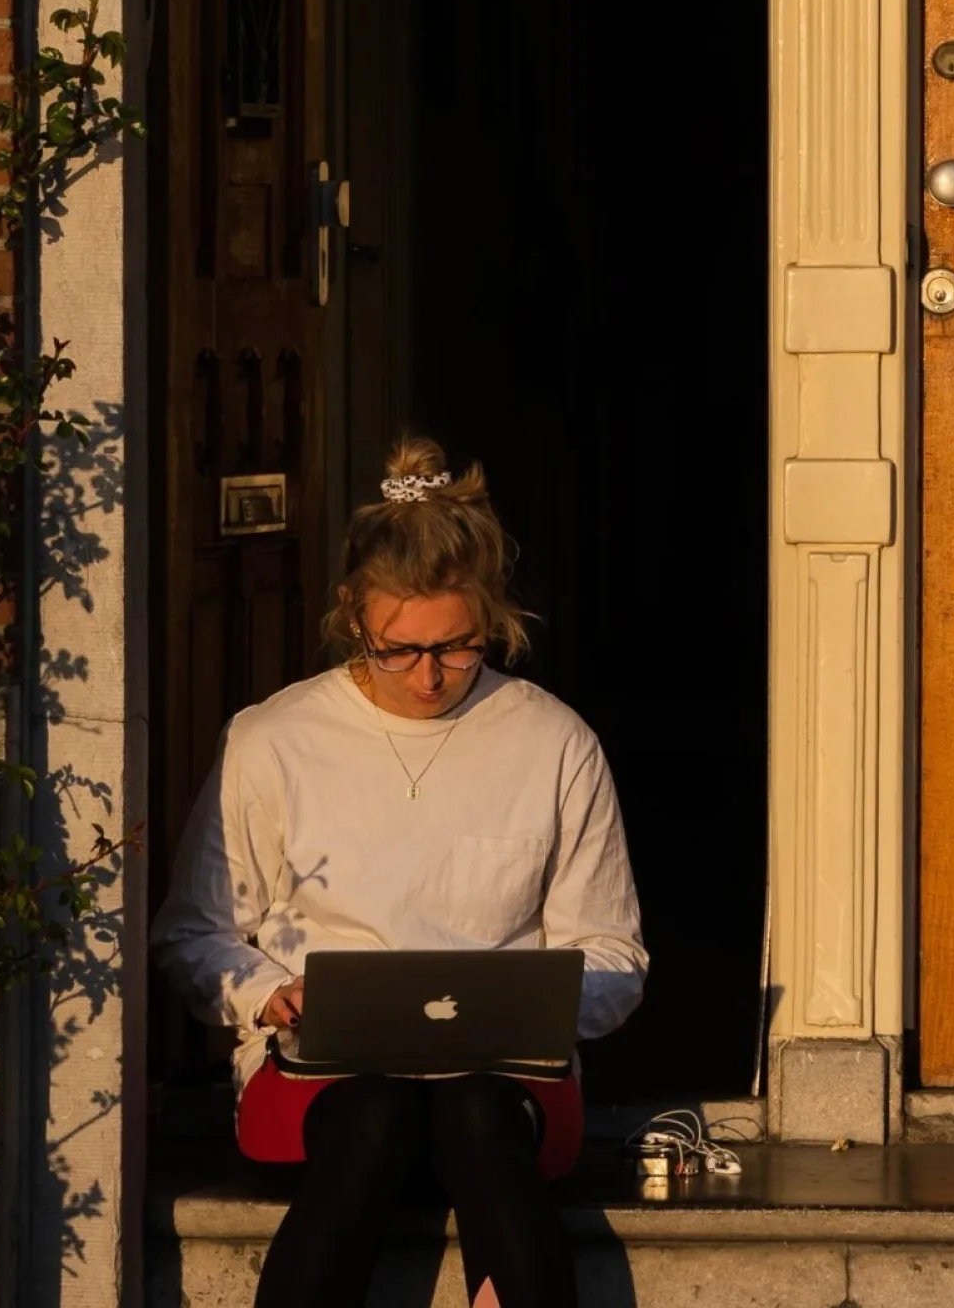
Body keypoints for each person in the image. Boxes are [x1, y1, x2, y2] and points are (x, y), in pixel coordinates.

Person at [151, 437, 647, 1308]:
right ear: (353, 617)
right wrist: (271, 994)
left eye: (456, 648)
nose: (427, 677)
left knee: (474, 1111)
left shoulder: (554, 741)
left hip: (507, 1089)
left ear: (491, 617)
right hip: (320, 1087)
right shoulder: (273, 739)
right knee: (376, 1111)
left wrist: (537, 1002)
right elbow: (193, 934)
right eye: (398, 651)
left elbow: (615, 953)